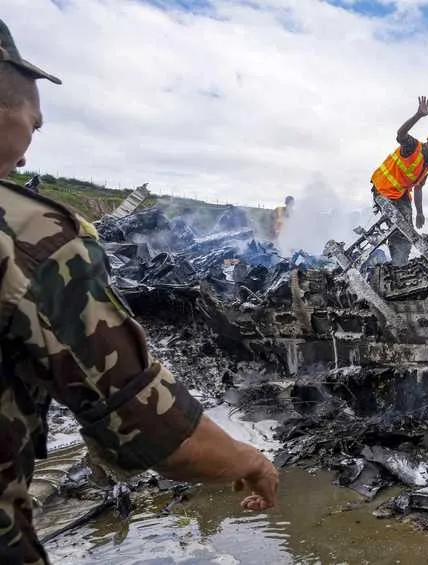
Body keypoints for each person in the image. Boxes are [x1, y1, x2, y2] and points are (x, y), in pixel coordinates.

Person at [0, 19, 278, 565]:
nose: (29, 155)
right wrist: (251, 461)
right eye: (34, 124)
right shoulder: (30, 233)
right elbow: (150, 425)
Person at [370, 96, 428, 266]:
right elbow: (400, 134)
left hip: (400, 195)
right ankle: (398, 264)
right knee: (401, 226)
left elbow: (419, 188)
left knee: (407, 230)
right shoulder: (412, 147)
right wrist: (418, 116)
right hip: (383, 189)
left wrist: (420, 212)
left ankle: (400, 263)